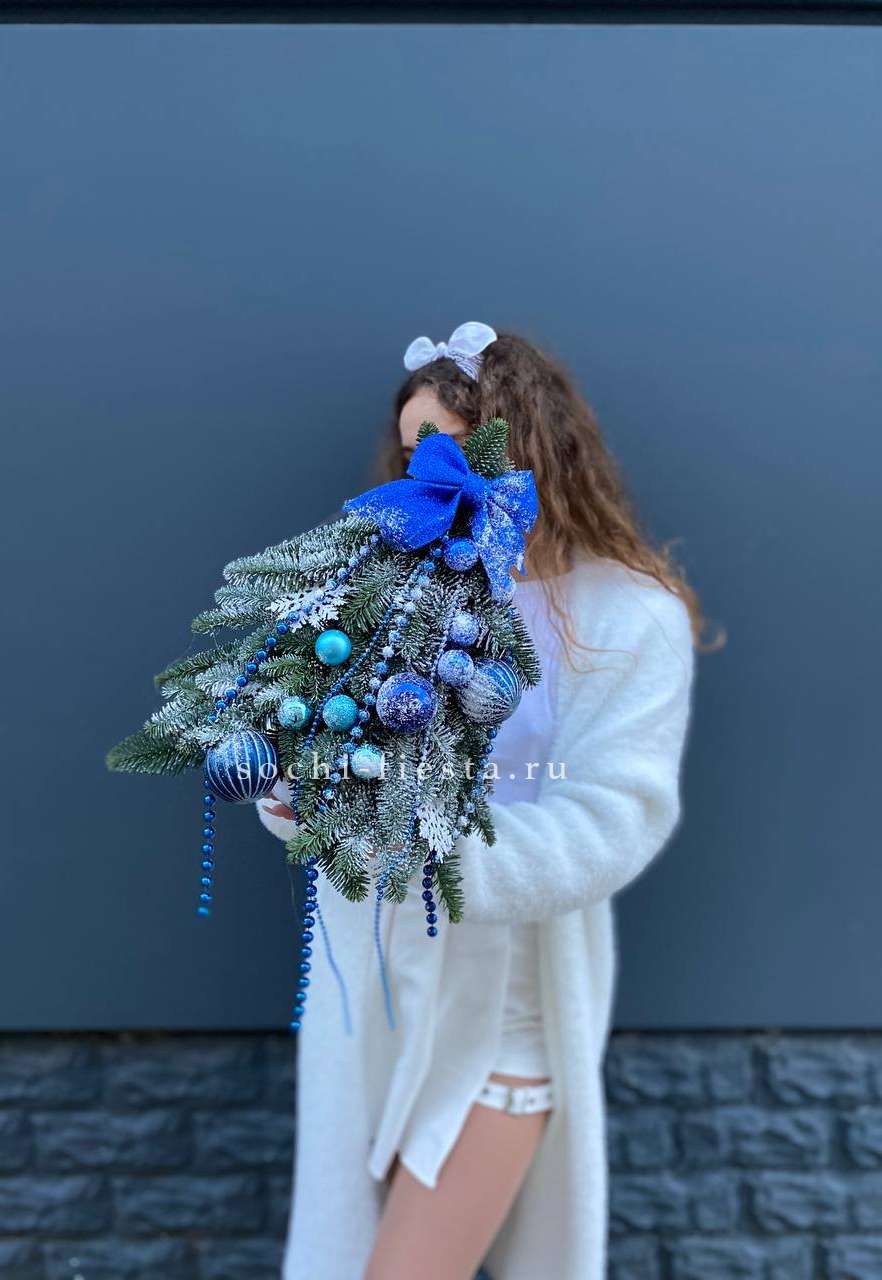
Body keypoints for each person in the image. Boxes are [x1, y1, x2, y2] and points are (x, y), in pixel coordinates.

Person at [256, 322, 703, 1280]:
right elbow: (325, 736)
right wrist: (297, 789)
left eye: (452, 444)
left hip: (505, 1017)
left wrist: (426, 849)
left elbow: (612, 820)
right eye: (412, 447)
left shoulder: (630, 615)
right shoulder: (391, 592)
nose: (430, 469)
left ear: (527, 442)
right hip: (376, 999)